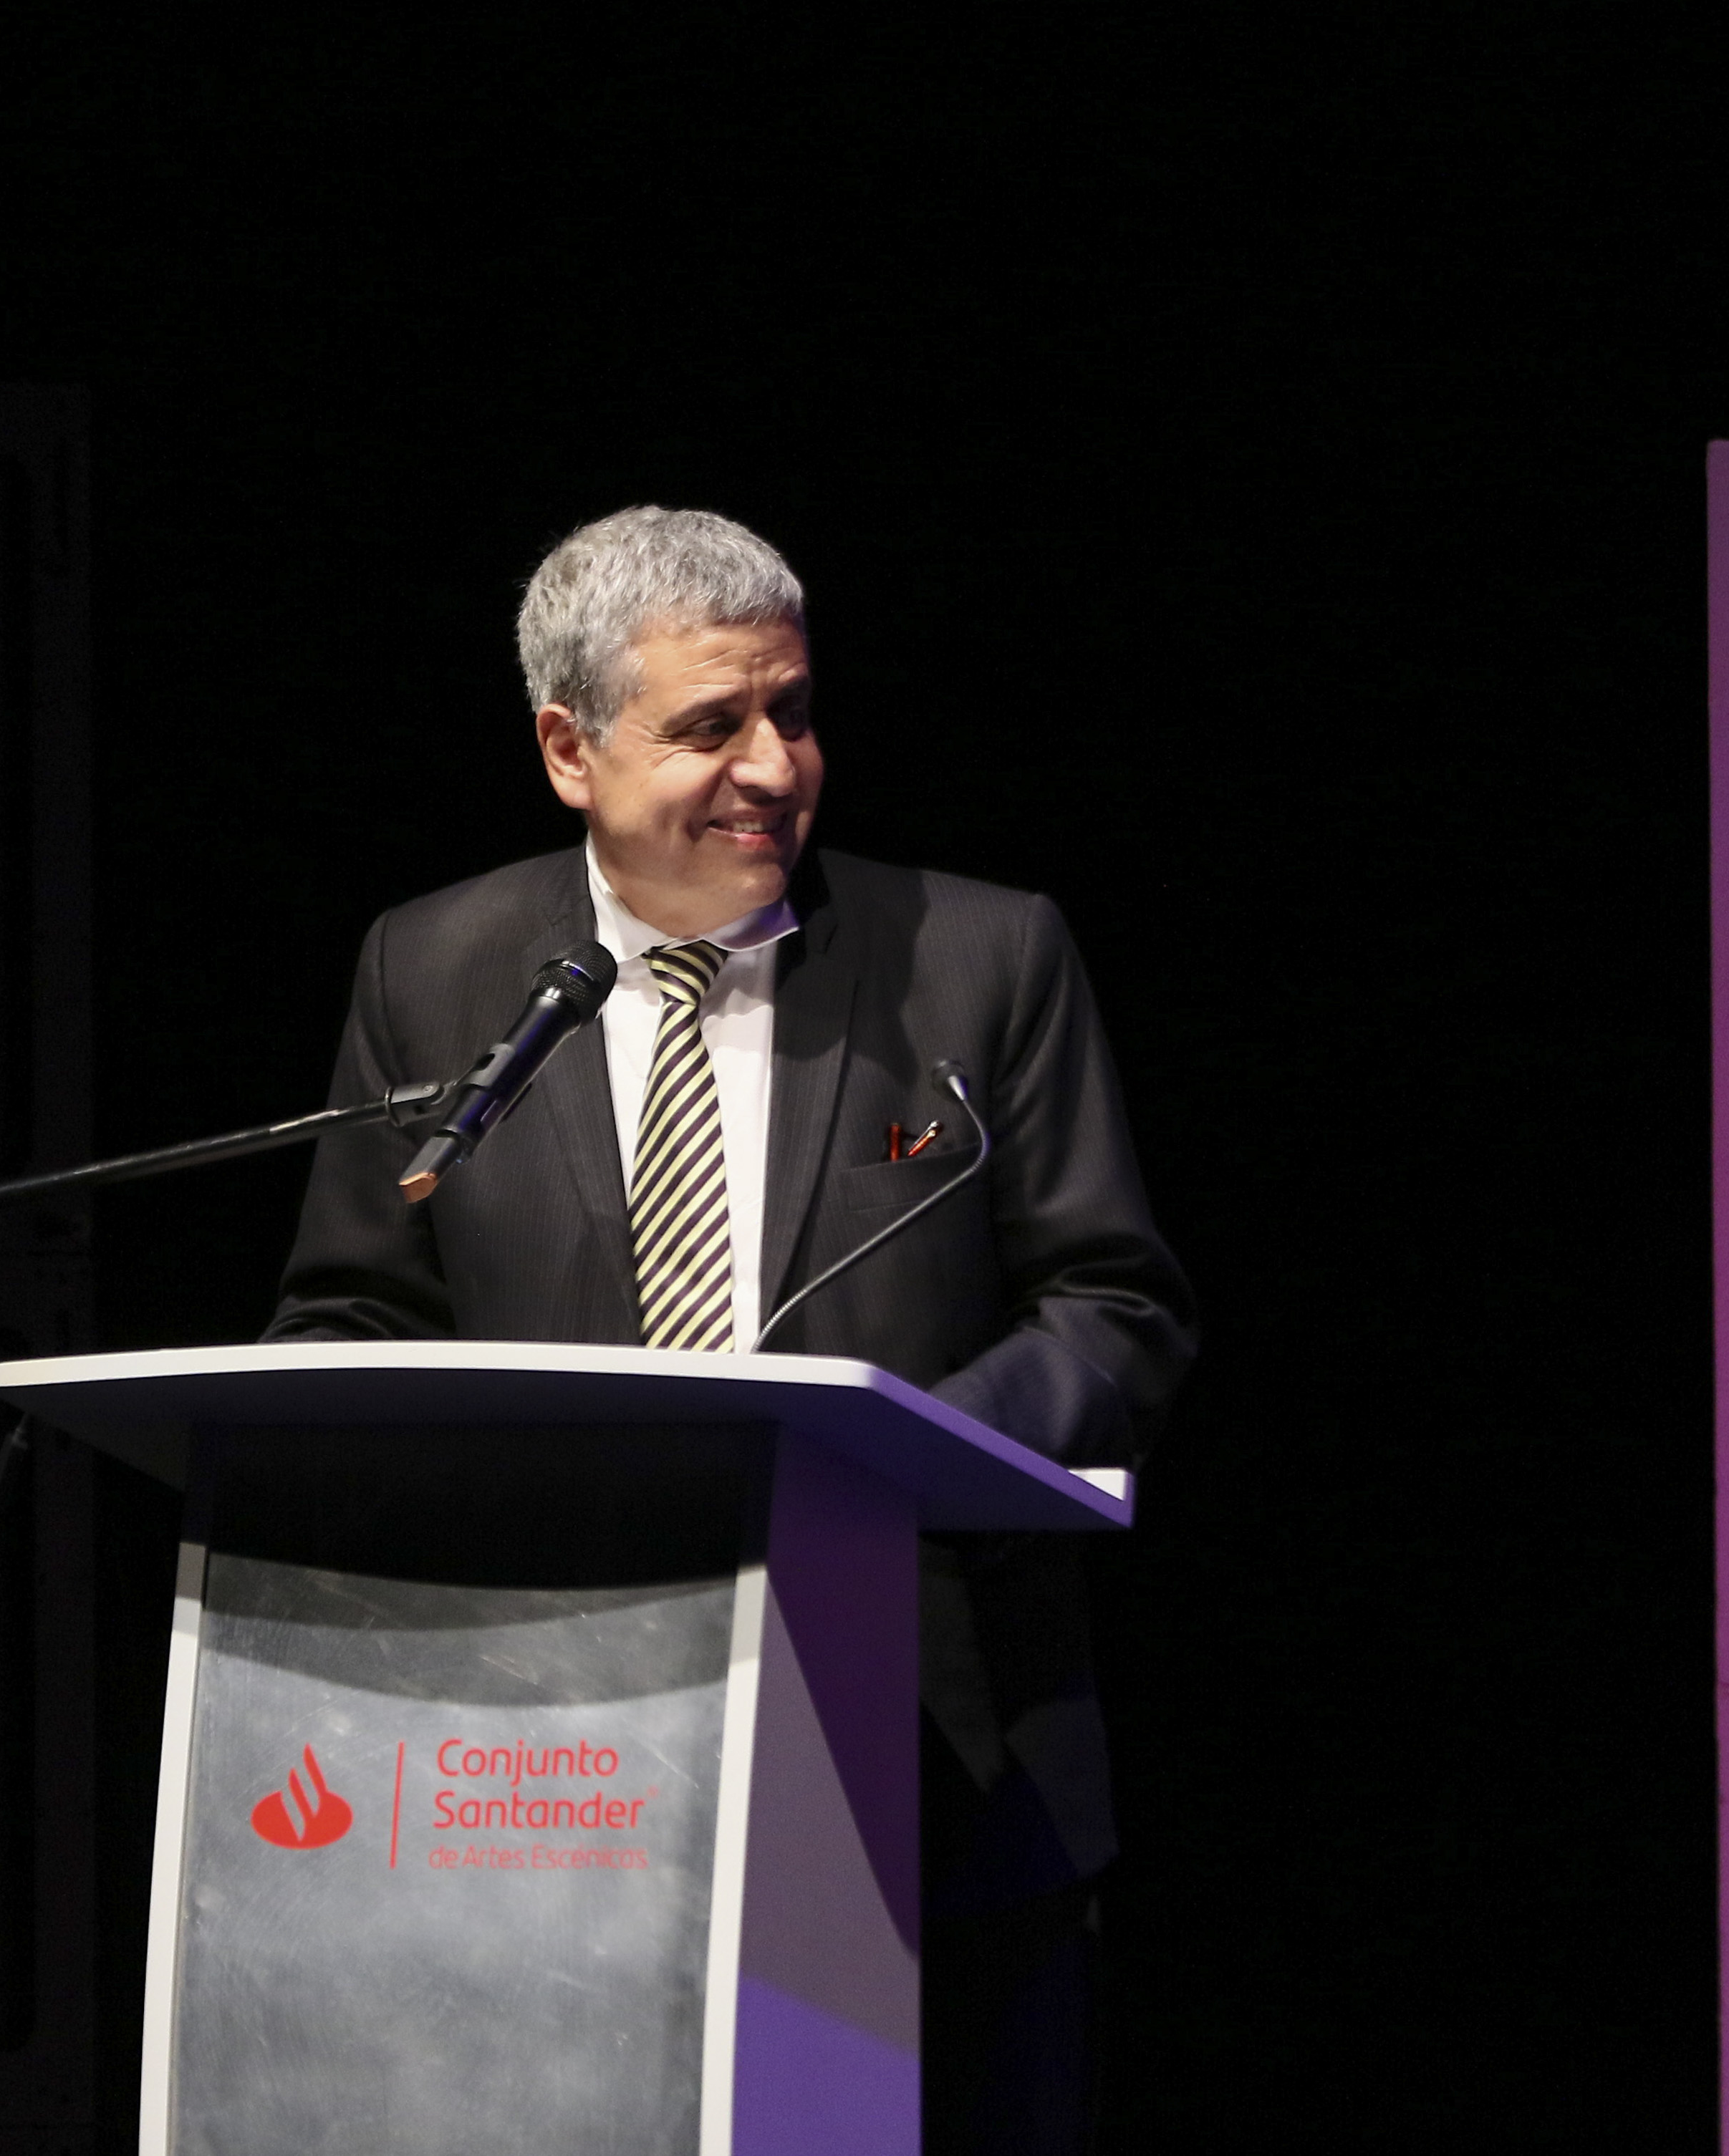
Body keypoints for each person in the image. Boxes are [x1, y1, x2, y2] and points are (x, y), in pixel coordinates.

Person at [266, 505, 1195, 2153]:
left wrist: (898, 1463)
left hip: (939, 1759)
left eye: (794, 711)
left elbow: (1113, 1306)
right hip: (548, 1771)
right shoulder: (437, 968)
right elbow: (353, 1311)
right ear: (570, 751)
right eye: (711, 726)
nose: (774, 766)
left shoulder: (981, 958)